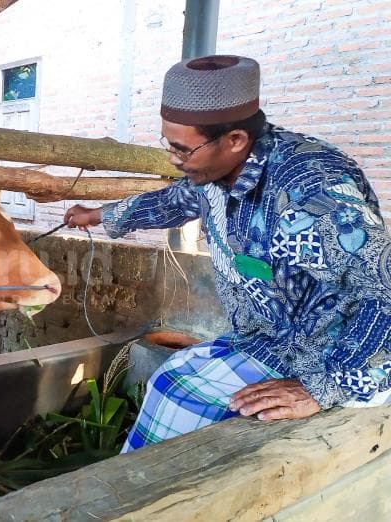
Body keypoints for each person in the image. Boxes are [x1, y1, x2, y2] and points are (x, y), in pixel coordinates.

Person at [64, 55, 391, 453]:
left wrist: (324, 387)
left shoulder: (311, 194)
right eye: (169, 144)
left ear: (235, 139)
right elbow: (178, 199)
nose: (173, 158)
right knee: (172, 377)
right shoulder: (220, 169)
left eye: (183, 150)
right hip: (265, 336)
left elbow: (381, 290)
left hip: (326, 353)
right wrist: (98, 215)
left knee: (178, 393)